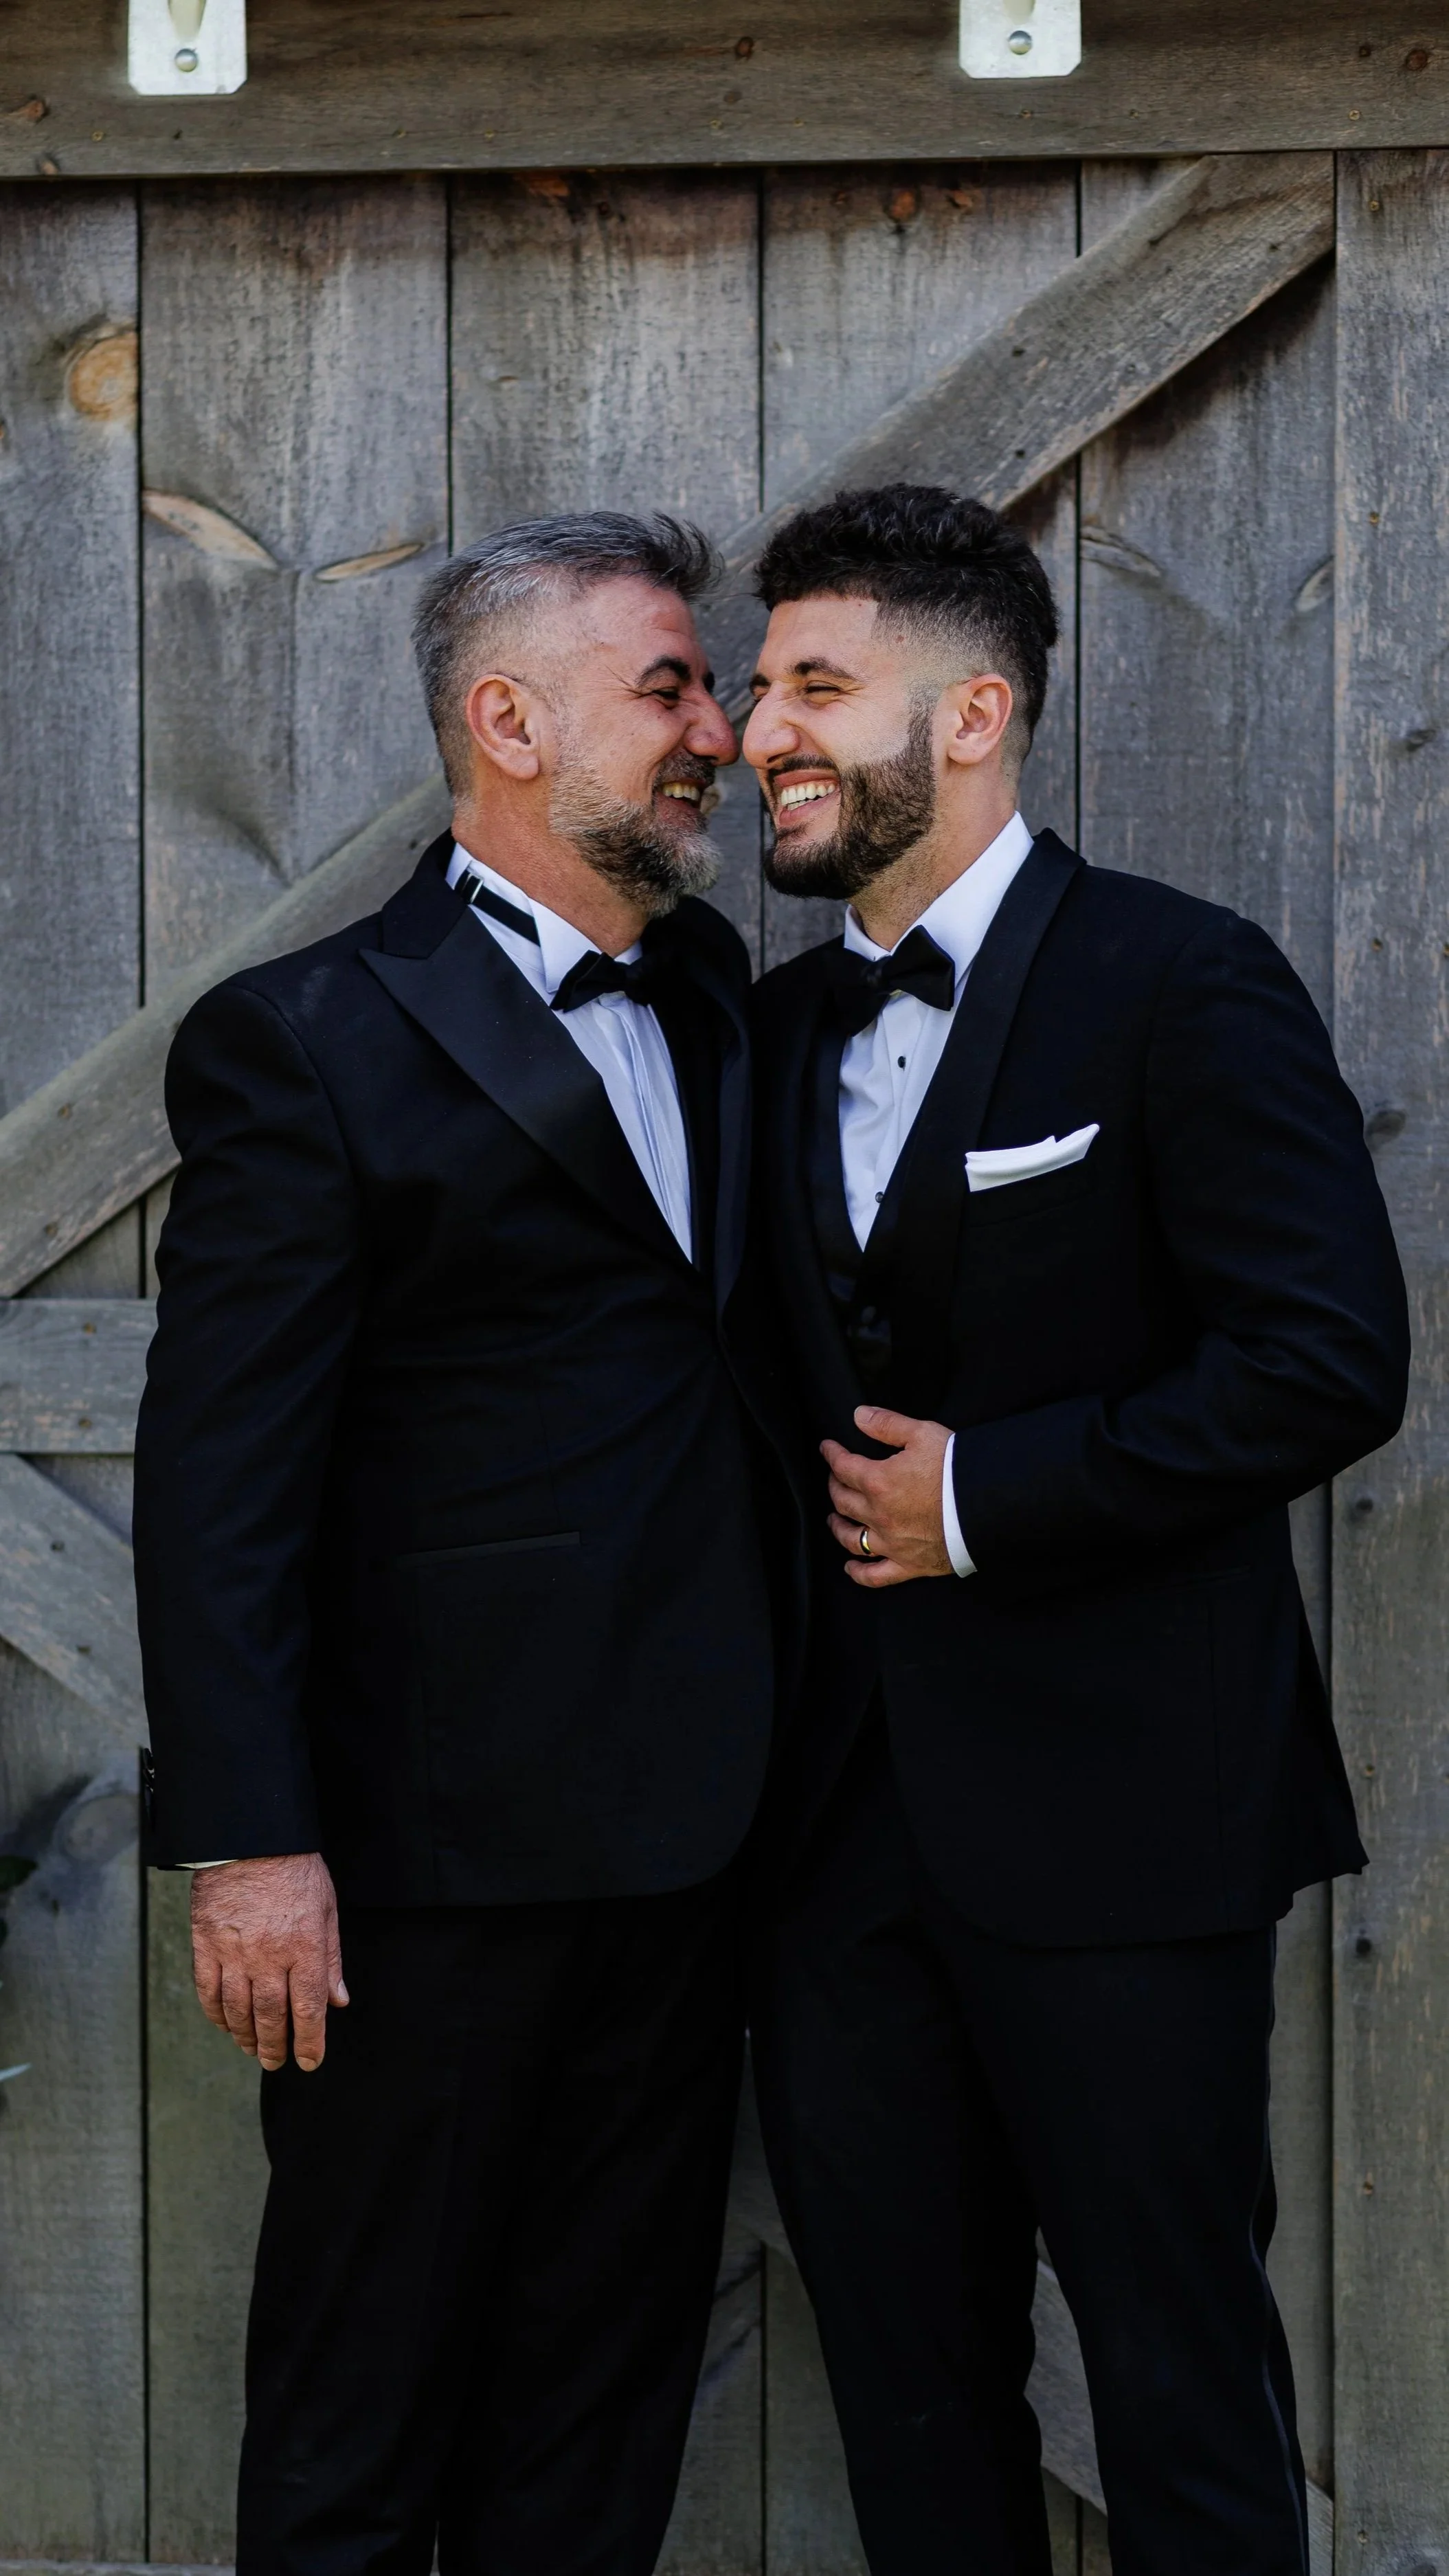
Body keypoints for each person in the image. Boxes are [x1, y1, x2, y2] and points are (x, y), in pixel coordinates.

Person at [742, 482, 1409, 2576]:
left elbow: (1323, 1358)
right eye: (759, 682)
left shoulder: (1174, 981)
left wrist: (985, 1496)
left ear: (971, 716)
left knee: (1178, 2377)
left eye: (813, 683)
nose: (755, 726)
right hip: (828, 1847)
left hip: (1128, 1825)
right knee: (905, 2387)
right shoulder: (754, 1036)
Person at [133, 512, 798, 2576]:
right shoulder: (310, 1038)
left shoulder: (711, 993)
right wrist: (251, 1836)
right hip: (418, 1862)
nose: (722, 730)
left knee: (594, 2402)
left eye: (713, 686)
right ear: (508, 721)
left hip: (693, 1837)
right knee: (363, 2395)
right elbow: (223, 1469)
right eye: (669, 686)